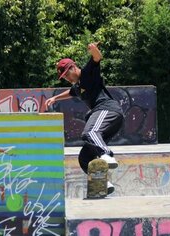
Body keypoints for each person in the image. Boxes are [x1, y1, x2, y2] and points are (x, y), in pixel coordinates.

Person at [45, 42, 124, 195]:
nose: (67, 78)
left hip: (108, 110)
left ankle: (106, 154)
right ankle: (102, 184)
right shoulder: (77, 86)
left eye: (68, 74)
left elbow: (97, 58)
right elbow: (71, 92)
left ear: (74, 67)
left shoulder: (88, 72)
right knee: (84, 157)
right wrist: (55, 98)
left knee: (89, 132)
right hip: (109, 120)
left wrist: (94, 50)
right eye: (64, 77)